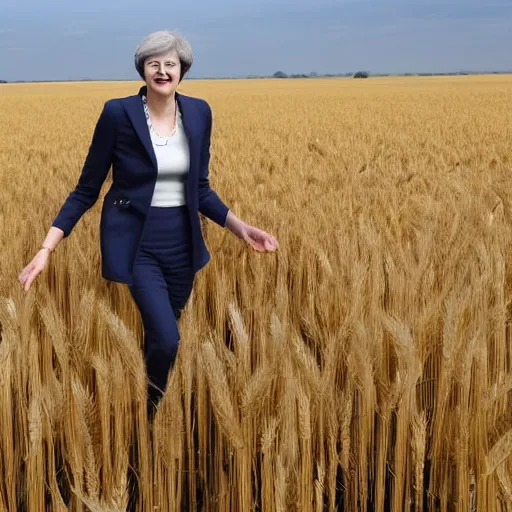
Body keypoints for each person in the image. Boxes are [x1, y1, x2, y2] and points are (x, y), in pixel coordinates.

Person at [18, 30, 279, 415]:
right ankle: (150, 412)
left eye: (170, 63)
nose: (162, 70)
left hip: (183, 244)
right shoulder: (117, 113)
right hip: (137, 242)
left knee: (161, 333)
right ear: (142, 69)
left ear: (182, 70)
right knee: (169, 339)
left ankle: (140, 394)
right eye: (153, 63)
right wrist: (46, 249)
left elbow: (200, 189)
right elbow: (86, 190)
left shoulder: (200, 112)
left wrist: (242, 229)